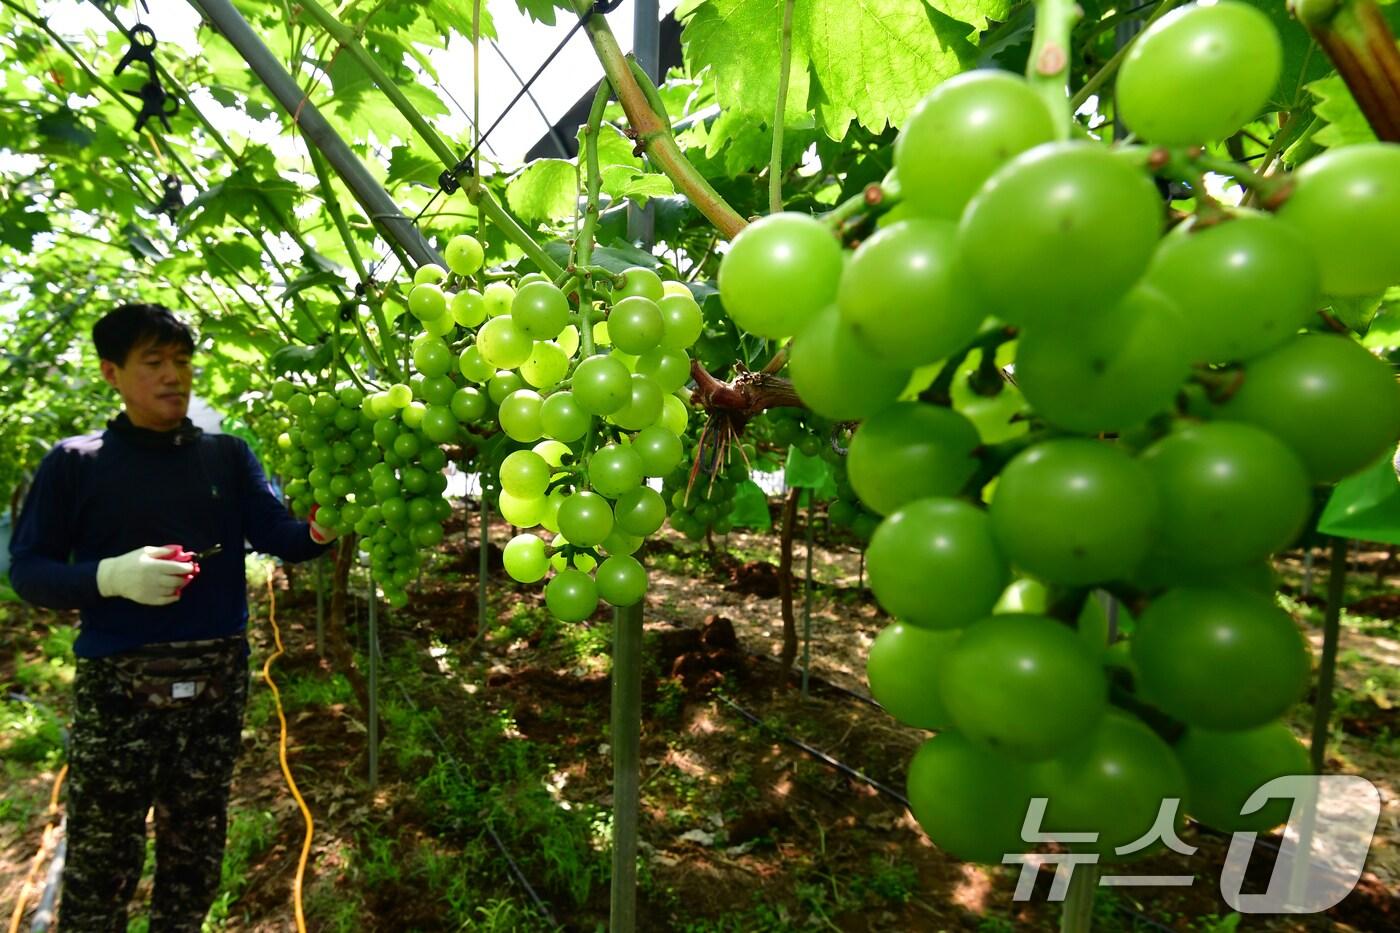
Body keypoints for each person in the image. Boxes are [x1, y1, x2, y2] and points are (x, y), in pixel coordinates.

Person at [8, 303, 336, 933]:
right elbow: (28, 570)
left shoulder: (226, 457)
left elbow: (277, 533)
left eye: (181, 361)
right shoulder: (76, 464)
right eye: (153, 362)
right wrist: (108, 576)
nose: (173, 376)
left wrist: (318, 531)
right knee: (103, 848)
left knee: (195, 840)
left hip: (214, 681)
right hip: (118, 684)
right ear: (112, 372)